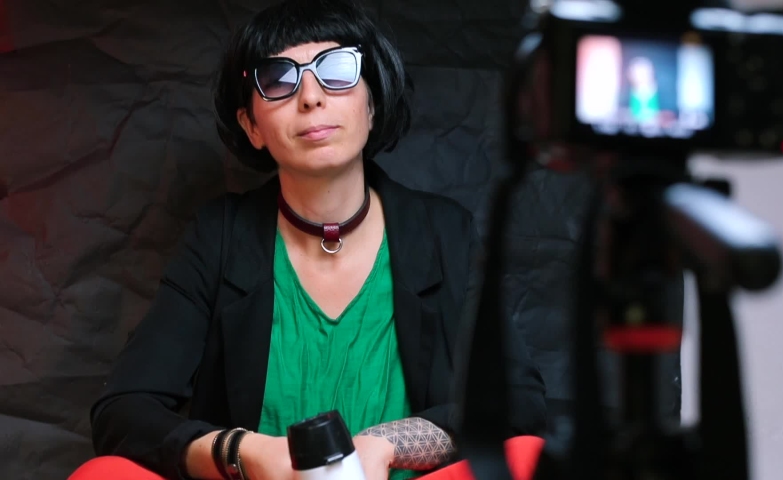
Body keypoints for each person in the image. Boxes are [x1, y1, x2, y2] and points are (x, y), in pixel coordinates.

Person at [77, 1, 548, 479]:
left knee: (526, 457)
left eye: (337, 70)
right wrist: (245, 451)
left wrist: (388, 444)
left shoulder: (442, 232)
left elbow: (520, 402)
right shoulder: (220, 237)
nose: (310, 97)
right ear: (252, 126)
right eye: (279, 80)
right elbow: (123, 412)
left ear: (373, 101)